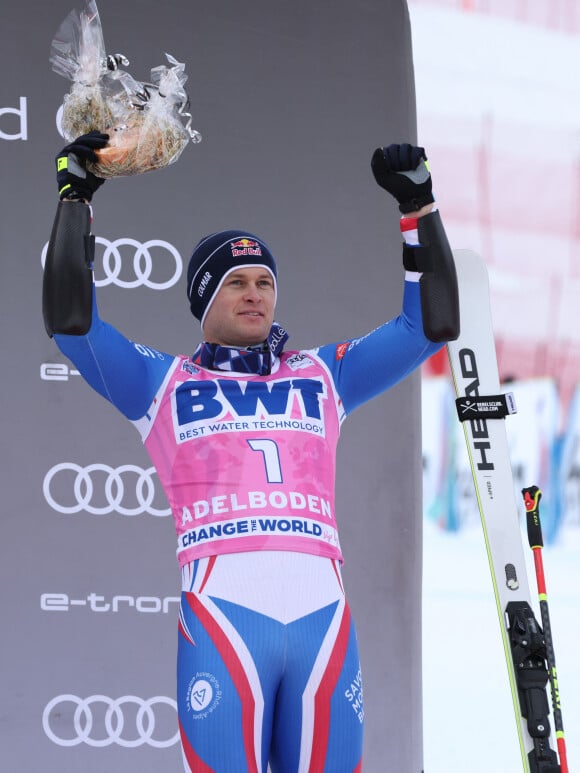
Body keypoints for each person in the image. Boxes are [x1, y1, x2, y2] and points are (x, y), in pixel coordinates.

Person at [43, 132, 459, 772]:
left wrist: (419, 211)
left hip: (323, 620)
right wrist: (76, 198)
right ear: (204, 298)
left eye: (265, 280)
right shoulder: (164, 383)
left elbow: (429, 326)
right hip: (223, 618)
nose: (256, 293)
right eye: (236, 281)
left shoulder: (323, 375)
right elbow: (73, 323)